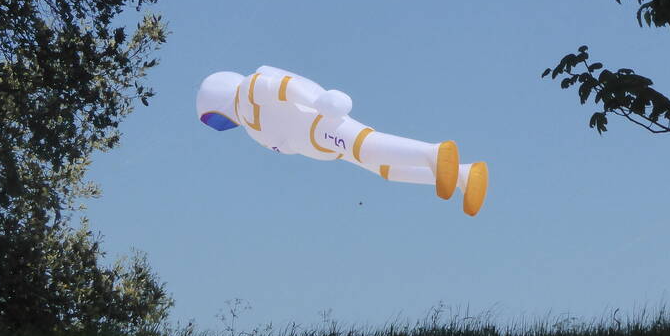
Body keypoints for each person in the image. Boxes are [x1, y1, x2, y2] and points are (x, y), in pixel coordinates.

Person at [197, 65, 488, 214]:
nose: (221, 123)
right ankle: (464, 174)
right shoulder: (251, 127)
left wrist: (320, 100)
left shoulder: (250, 89)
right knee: (383, 169)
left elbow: (286, 88)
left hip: (320, 123)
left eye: (215, 118)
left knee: (368, 147)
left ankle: (434, 154)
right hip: (320, 142)